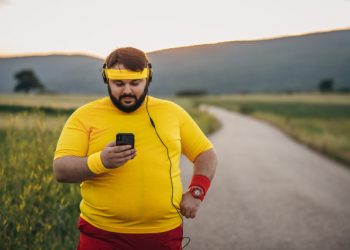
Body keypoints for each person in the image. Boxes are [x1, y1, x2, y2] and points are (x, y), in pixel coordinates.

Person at [53, 47, 218, 250]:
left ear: (148, 79)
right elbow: (61, 170)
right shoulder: (83, 116)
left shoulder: (172, 113)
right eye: (119, 83)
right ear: (107, 80)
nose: (127, 90)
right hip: (102, 235)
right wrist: (101, 161)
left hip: (163, 234)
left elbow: (205, 154)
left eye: (135, 83)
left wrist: (197, 191)